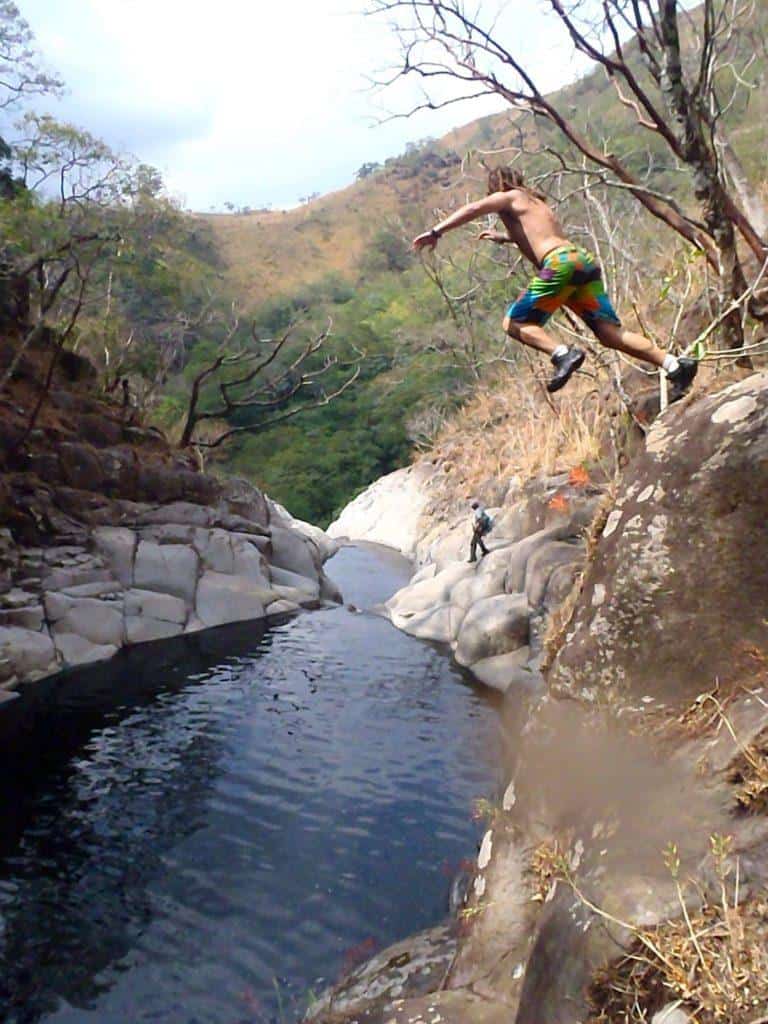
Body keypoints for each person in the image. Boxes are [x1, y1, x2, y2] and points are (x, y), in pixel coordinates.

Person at [412, 166, 698, 397]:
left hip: (559, 265)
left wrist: (436, 231)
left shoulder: (509, 196)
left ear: (497, 187)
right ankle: (674, 365)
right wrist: (503, 237)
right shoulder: (537, 204)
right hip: (580, 263)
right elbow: (538, 236)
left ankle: (562, 354)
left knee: (514, 323)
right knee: (609, 334)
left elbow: (474, 208)